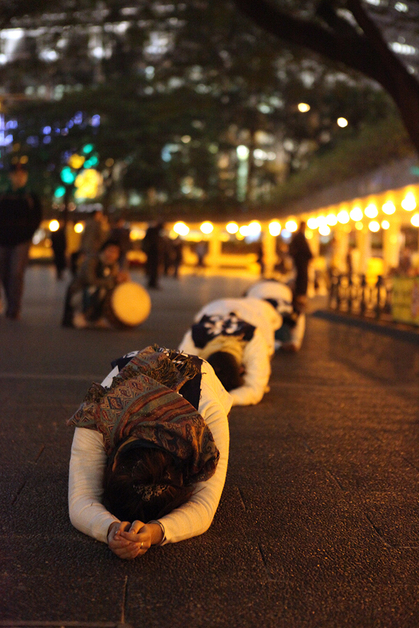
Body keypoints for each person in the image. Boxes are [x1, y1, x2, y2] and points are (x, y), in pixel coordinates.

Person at [67, 345, 231, 559]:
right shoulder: (99, 411)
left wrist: (153, 531)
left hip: (209, 385)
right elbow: (80, 500)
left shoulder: (209, 418)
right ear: (113, 462)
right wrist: (112, 529)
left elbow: (204, 505)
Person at [178, 297, 281, 406]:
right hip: (219, 307)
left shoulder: (255, 340)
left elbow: (254, 391)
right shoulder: (194, 336)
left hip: (257, 309)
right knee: (261, 369)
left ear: (241, 369)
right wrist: (222, 399)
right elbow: (254, 391)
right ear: (241, 370)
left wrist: (217, 399)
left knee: (267, 351)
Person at [0, 164, 42, 319]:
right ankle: (9, 301)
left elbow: (37, 217)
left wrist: (28, 234)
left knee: (16, 273)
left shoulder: (30, 196)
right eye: (15, 174)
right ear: (10, 176)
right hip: (3, 240)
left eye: (22, 175)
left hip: (21, 241)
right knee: (4, 272)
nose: (18, 177)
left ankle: (14, 307)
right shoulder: (4, 194)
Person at [62, 239, 129, 328]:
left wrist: (121, 281)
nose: (112, 255)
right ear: (104, 250)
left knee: (111, 292)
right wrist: (113, 280)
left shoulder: (113, 265)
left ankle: (96, 318)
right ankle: (80, 315)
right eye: (110, 251)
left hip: (95, 292)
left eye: (116, 253)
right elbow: (91, 281)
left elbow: (112, 283)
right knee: (97, 290)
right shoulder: (92, 261)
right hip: (80, 293)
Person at [245, 279, 306, 352]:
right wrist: (294, 343)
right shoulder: (263, 310)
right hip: (274, 290)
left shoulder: (262, 309)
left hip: (262, 291)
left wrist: (293, 343)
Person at [288, 221, 313, 312]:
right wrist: (310, 256)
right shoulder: (300, 237)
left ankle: (300, 296)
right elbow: (305, 250)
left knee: (301, 278)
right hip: (301, 263)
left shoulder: (298, 236)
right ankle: (300, 297)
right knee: (302, 279)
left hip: (300, 263)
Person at [142, 222, 164, 289]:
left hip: (153, 254)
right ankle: (152, 283)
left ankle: (152, 283)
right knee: (154, 270)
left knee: (153, 269)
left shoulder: (152, 232)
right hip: (154, 254)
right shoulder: (154, 233)